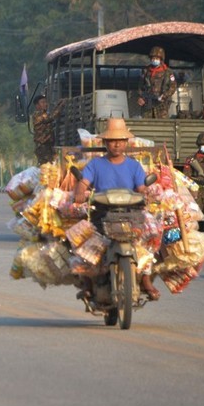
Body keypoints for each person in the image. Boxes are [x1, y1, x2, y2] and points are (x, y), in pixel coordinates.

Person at [73, 117, 157, 299]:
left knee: (149, 242)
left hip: (130, 214)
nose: (116, 145)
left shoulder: (134, 166)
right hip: (101, 214)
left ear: (126, 142)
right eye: (112, 141)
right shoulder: (95, 164)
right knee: (85, 242)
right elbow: (84, 182)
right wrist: (80, 192)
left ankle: (146, 280)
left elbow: (142, 187)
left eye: (120, 141)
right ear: (105, 143)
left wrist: (148, 193)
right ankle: (87, 284)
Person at [183, 132, 204, 250]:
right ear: (198, 145)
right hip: (197, 191)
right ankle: (194, 240)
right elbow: (186, 177)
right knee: (193, 218)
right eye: (203, 144)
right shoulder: (192, 159)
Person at [137, 46, 177, 119]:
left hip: (161, 104)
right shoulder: (146, 71)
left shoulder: (168, 72)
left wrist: (164, 95)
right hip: (147, 103)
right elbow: (140, 86)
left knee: (162, 125)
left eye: (157, 58)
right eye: (153, 58)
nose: (154, 60)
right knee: (146, 124)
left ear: (161, 59)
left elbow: (173, 87)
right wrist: (140, 97)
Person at [32, 94, 66, 165]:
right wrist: (61, 106)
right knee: (46, 166)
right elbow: (52, 117)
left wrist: (58, 105)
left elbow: (50, 115)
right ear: (37, 106)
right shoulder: (38, 115)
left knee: (50, 165)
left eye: (46, 102)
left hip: (47, 145)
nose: (46, 104)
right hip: (43, 146)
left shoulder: (44, 114)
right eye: (43, 102)